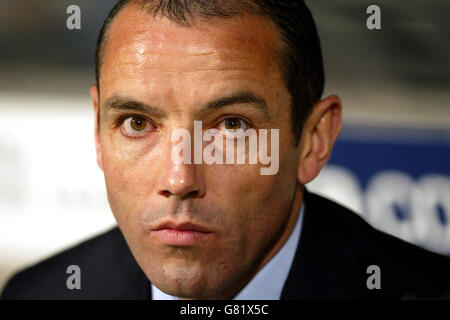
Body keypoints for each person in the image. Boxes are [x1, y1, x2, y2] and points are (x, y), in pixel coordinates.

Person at [2, 0, 449, 300]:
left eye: (231, 126)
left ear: (314, 139)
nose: (179, 180)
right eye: (137, 123)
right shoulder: (39, 293)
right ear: (98, 131)